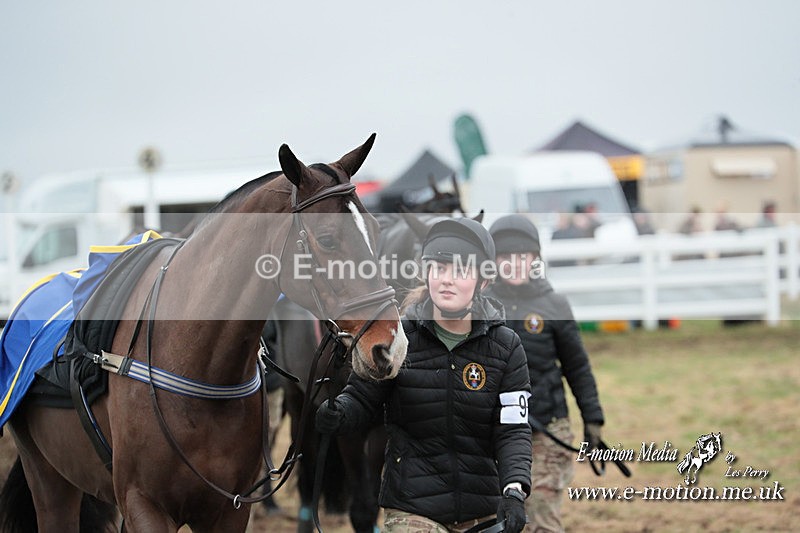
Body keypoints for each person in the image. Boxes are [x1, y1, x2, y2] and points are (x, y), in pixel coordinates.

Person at [316, 218, 532, 533]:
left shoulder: (506, 346)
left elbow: (513, 429)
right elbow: (361, 397)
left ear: (483, 282)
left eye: (460, 272)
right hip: (411, 508)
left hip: (484, 508)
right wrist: (340, 413)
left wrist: (514, 489)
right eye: (438, 269)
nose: (446, 280)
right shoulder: (398, 338)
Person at [485, 215, 605, 533]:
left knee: (539, 510)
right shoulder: (479, 306)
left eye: (522, 256)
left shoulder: (554, 305)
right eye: (505, 256)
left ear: (534, 259)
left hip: (547, 426)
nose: (514, 264)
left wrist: (592, 419)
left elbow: (577, 366)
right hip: (492, 430)